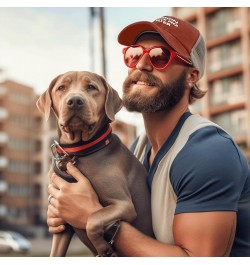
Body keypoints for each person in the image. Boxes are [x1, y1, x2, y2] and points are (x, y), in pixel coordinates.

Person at [47, 15, 250, 257]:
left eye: (159, 57)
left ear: (191, 76)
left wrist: (93, 216)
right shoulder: (137, 149)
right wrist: (67, 212)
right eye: (134, 54)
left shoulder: (207, 152)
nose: (141, 64)